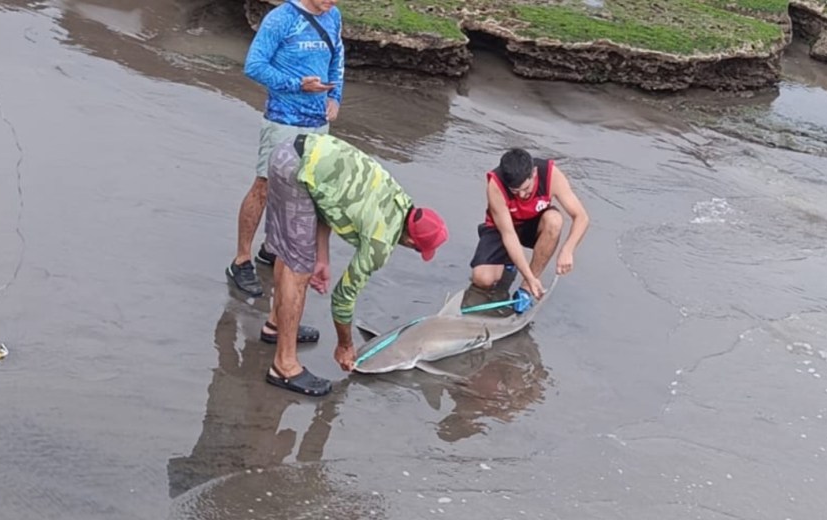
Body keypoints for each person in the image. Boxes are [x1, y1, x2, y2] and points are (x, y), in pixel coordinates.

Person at [263, 133, 449, 396]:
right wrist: (344, 345)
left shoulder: (397, 198)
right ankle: (284, 365)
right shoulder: (380, 242)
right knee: (298, 270)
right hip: (295, 172)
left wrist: (323, 257)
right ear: (410, 240)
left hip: (295, 151)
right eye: (418, 248)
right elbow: (342, 298)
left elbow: (329, 198)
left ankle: (276, 325)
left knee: (292, 253)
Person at [226, 0, 345, 328]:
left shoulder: (332, 16)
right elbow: (254, 65)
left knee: (304, 192)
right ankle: (241, 259)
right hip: (282, 118)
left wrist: (336, 98)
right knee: (264, 185)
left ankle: (271, 250)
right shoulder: (281, 19)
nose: (331, 4)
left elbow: (338, 57)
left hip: (318, 121)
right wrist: (297, 85)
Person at [466, 148, 589, 312]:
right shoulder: (495, 185)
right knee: (483, 280)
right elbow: (508, 235)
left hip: (534, 223)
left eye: (526, 188)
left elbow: (581, 217)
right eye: (516, 191)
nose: (522, 195)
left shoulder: (551, 175)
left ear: (534, 173)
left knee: (554, 220)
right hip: (504, 227)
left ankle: (526, 289)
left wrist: (568, 249)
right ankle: (510, 263)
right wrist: (527, 274)